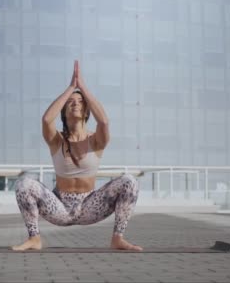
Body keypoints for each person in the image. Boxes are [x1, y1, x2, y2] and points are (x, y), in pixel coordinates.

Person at [12, 60, 142, 251]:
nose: (75, 103)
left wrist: (82, 88)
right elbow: (47, 119)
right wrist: (71, 88)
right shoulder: (56, 140)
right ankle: (34, 238)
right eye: (70, 102)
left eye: (80, 102)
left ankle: (117, 238)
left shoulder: (96, 140)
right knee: (24, 184)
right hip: (59, 207)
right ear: (64, 111)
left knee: (130, 181)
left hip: (90, 206)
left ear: (87, 110)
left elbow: (104, 122)